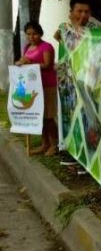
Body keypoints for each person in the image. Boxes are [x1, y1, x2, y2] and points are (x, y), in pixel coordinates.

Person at [15, 22, 58, 156]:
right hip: (34, 87)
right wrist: (19, 63)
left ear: (40, 33)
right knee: (39, 116)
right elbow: (23, 60)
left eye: (34, 33)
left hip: (47, 85)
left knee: (49, 117)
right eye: (28, 34)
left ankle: (54, 144)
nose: (31, 36)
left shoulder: (46, 47)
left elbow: (48, 65)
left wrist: (30, 63)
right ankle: (44, 144)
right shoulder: (27, 47)